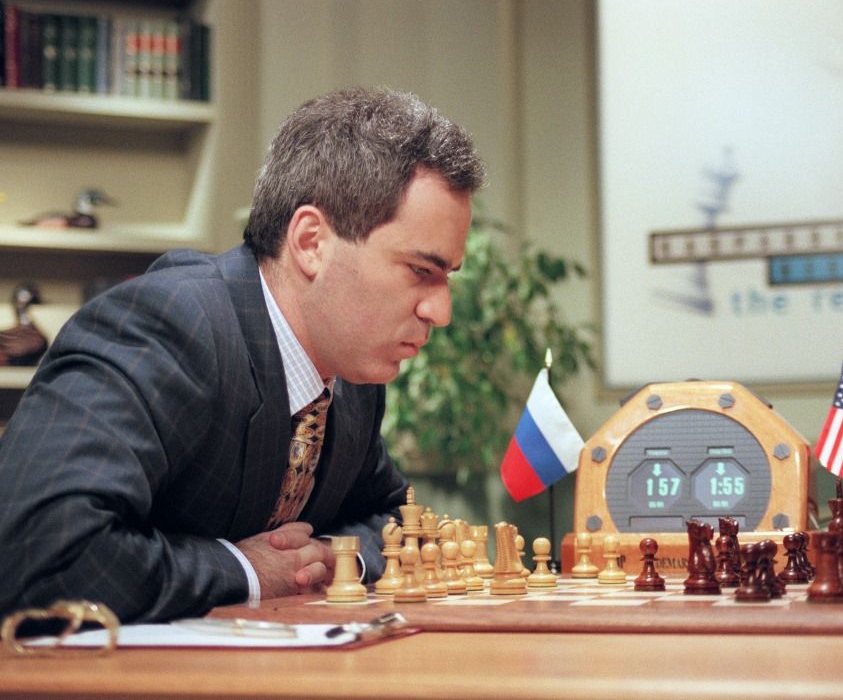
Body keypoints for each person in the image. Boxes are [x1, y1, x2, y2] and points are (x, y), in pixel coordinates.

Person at [0, 87, 486, 623]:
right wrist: (247, 572)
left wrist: (329, 559)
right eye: (422, 271)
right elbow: (40, 556)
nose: (441, 311)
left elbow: (399, 519)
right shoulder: (166, 327)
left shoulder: (351, 375)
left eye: (447, 278)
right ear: (310, 242)